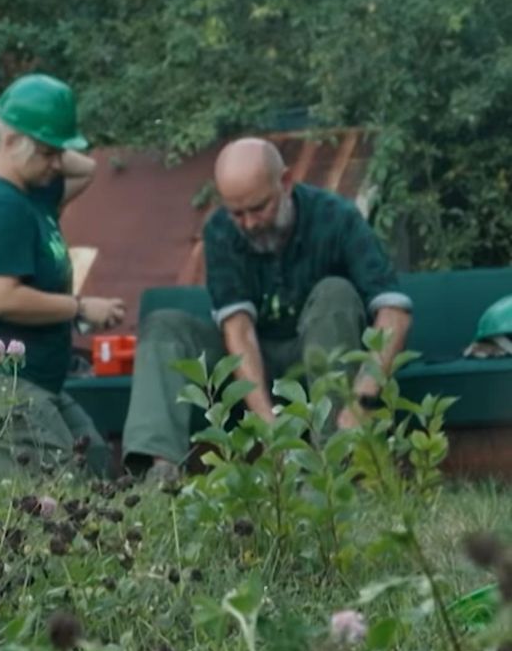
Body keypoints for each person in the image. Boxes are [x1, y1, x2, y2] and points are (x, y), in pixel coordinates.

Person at [123, 137, 412, 480]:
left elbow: (394, 313)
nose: (249, 223)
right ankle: (159, 473)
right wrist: (269, 427)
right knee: (163, 326)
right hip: (253, 365)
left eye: (258, 208)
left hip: (320, 360)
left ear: (285, 183)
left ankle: (333, 463)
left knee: (336, 291)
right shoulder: (220, 231)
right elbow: (238, 330)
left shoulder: (337, 217)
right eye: (237, 213)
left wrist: (362, 401)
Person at [0, 73, 125, 478]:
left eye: (58, 152)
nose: (57, 162)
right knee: (60, 479)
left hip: (36, 380)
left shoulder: (34, 193)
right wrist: (80, 308)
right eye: (48, 153)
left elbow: (87, 169)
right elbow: (0, 297)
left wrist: (35, 147)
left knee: (94, 460)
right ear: (12, 142)